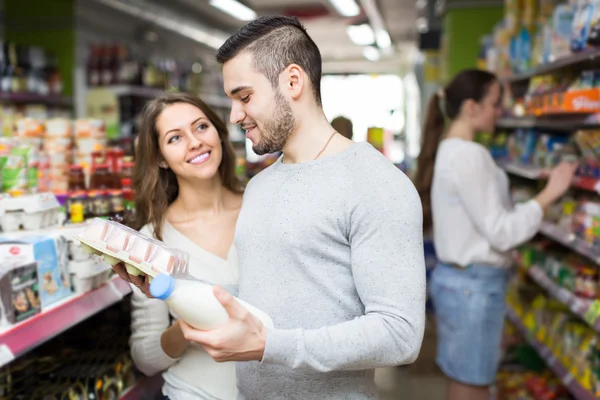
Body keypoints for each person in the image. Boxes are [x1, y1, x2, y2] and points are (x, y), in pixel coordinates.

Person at [175, 15, 425, 399]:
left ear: (293, 81)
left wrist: (270, 346)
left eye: (244, 97)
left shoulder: (376, 184)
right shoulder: (259, 186)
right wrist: (166, 281)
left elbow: (400, 333)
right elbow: (264, 293)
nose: (234, 116)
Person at [414, 69, 577, 400]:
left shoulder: (451, 149)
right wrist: (549, 195)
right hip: (473, 288)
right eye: (494, 103)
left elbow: (481, 210)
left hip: (458, 283)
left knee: (462, 377)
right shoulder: (470, 155)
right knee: (472, 383)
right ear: (471, 107)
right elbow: (502, 232)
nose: (499, 111)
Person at [118, 92, 244, 400]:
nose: (194, 142)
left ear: (219, 132)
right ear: (160, 157)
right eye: (175, 138)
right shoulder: (152, 241)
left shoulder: (265, 206)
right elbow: (146, 359)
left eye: (201, 127)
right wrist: (189, 323)